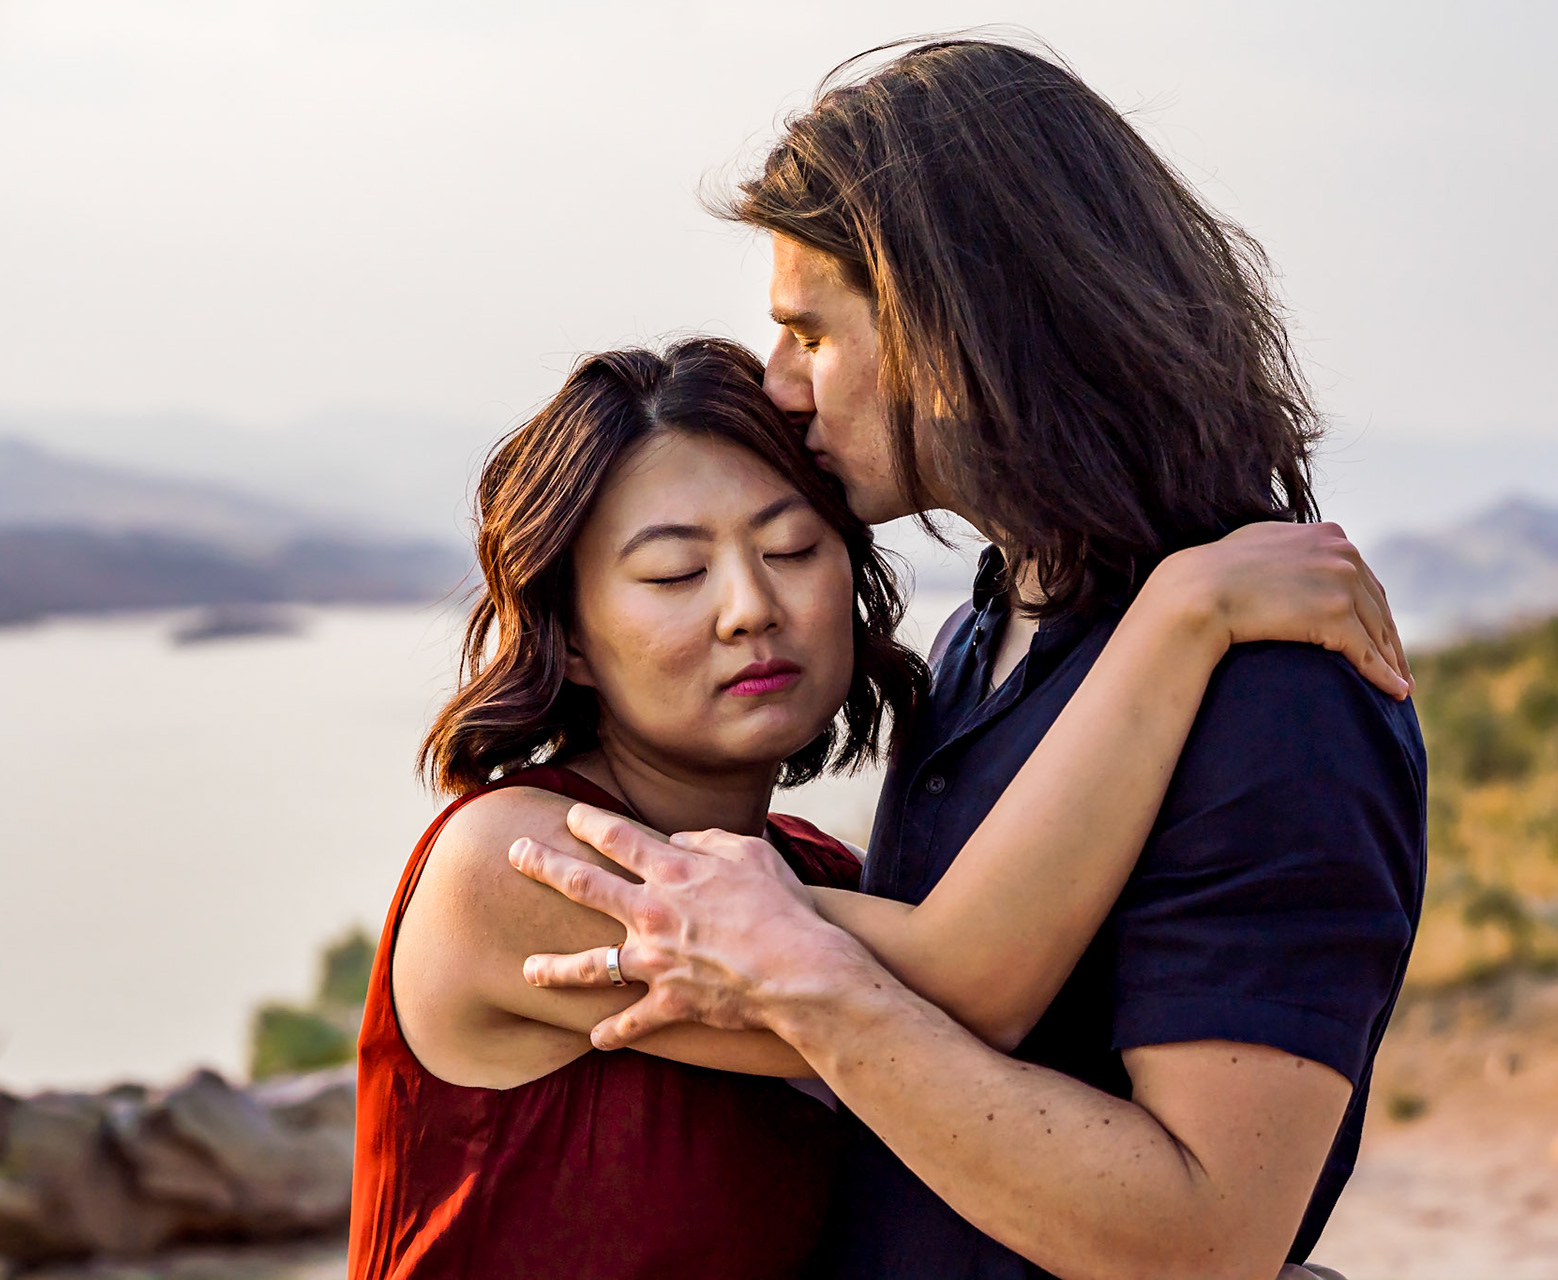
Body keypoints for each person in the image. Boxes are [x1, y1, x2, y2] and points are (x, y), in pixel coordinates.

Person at [512, 38, 1427, 1280]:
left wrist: (809, 984)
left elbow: (1210, 1236)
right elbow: (965, 995)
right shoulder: (985, 630)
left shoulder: (1273, 685)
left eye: (810, 333)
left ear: (962, 325)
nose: (781, 387)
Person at [348, 337, 1407, 1278]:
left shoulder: (811, 879)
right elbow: (970, 980)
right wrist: (1187, 611)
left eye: (794, 550)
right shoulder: (526, 862)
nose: (751, 605)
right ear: (569, 638)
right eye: (674, 572)